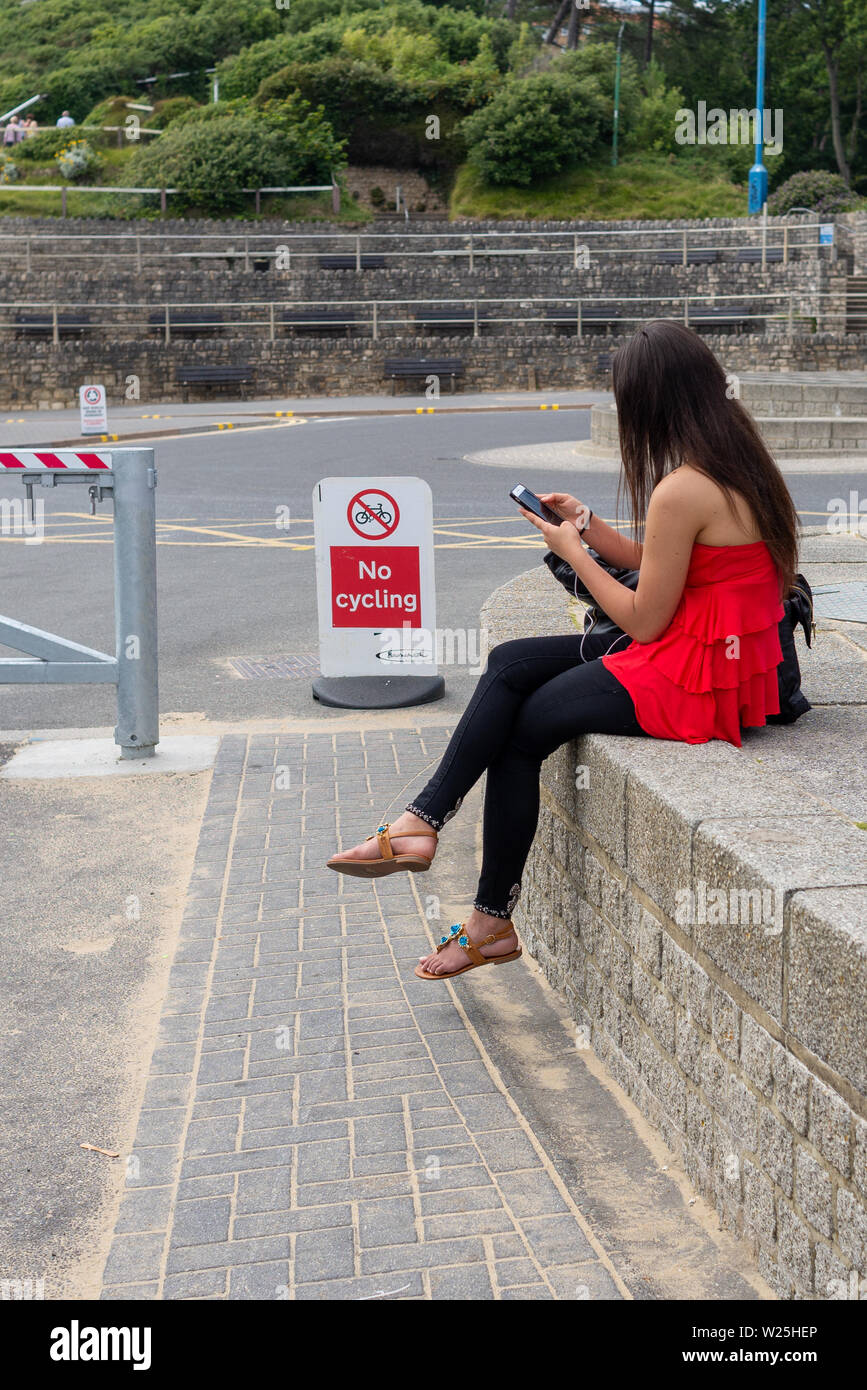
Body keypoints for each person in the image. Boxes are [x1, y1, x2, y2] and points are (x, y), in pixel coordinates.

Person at [327, 321, 800, 980]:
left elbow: (641, 617)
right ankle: (422, 825)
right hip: (710, 654)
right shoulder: (738, 460)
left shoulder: (681, 487)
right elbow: (670, 565)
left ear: (653, 401)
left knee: (521, 728)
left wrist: (572, 552)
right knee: (508, 663)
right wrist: (589, 526)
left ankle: (481, 910)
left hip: (690, 675)